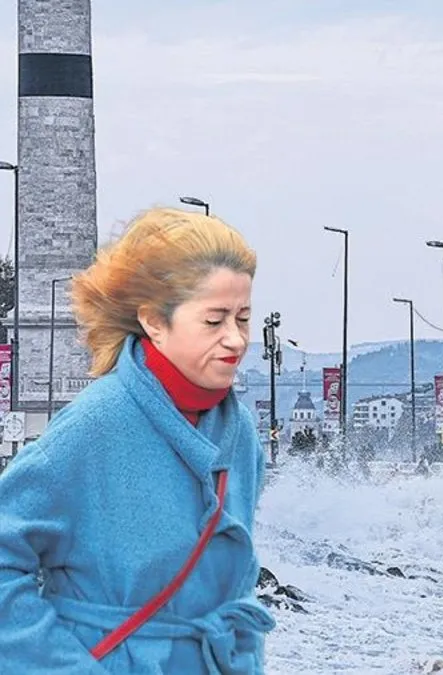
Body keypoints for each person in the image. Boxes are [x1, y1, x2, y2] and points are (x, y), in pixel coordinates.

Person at [0, 207, 275, 673]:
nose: (236, 340)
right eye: (214, 321)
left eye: (243, 319)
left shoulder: (241, 432)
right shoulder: (94, 425)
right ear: (154, 322)